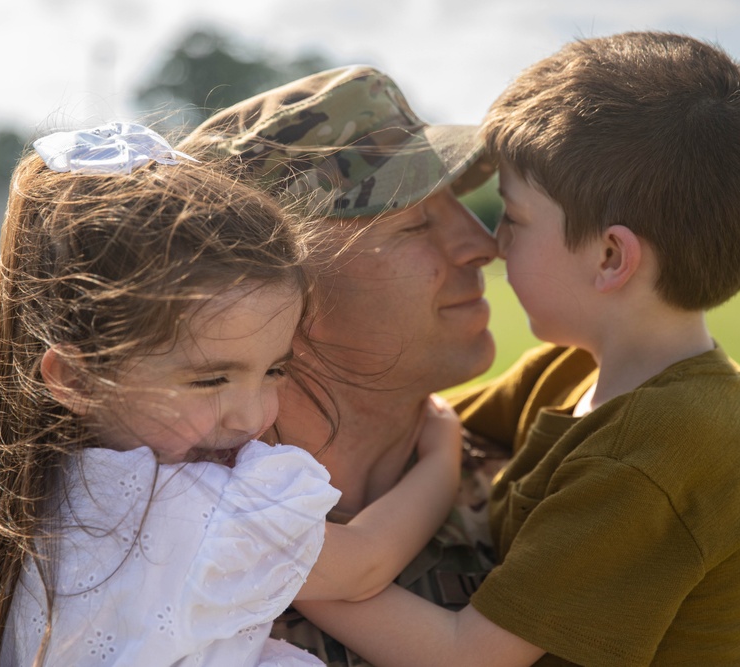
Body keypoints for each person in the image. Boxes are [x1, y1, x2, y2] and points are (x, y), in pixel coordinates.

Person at [293, 32, 740, 666]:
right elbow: (426, 423)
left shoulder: (668, 444)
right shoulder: (570, 372)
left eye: (513, 216)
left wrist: (287, 571)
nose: (493, 242)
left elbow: (466, 658)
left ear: (611, 257)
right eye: (419, 221)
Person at [0, 122, 466, 667]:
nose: (251, 415)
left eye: (276, 370)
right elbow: (366, 564)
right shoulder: (188, 507)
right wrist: (443, 458)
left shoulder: (50, 493)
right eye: (210, 380)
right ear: (77, 379)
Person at [176, 65, 504, 665]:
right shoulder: (167, 550)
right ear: (273, 295)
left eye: (458, 203)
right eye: (416, 222)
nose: (482, 244)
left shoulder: (539, 495)